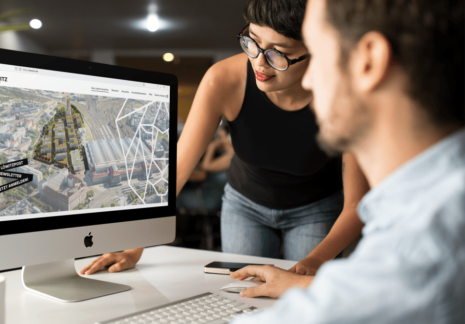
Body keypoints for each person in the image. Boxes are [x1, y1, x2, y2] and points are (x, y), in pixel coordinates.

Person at [80, 0, 369, 276]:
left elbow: (357, 204)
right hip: (245, 202)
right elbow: (177, 169)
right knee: (241, 294)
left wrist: (316, 261)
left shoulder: (344, 94)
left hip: (315, 207)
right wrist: (133, 249)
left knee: (303, 296)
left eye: (278, 52)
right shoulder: (223, 80)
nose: (259, 62)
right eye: (253, 41)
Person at [230, 0, 465, 322]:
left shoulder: (420, 249)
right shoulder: (440, 199)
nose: (309, 80)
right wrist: (304, 285)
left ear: (369, 60)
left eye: (318, 54)